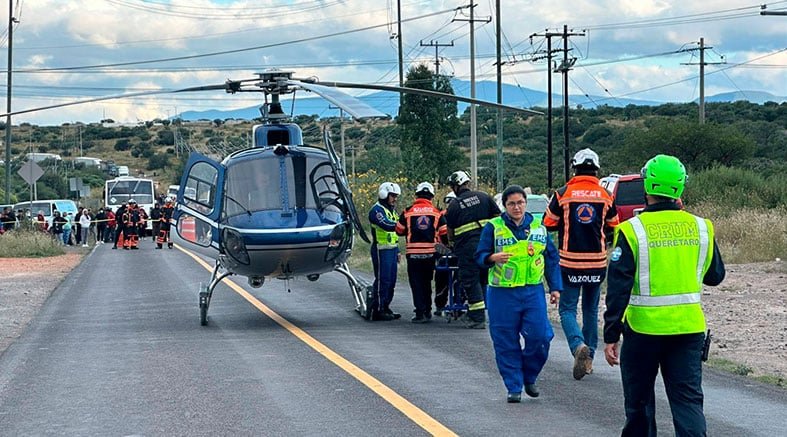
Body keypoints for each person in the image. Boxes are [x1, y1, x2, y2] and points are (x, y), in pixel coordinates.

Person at [603, 155, 726, 436]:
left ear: (647, 186)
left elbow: (618, 289)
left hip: (643, 331)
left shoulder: (632, 230)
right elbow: (715, 276)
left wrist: (611, 334)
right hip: (688, 330)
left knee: (639, 405)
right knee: (688, 402)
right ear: (680, 187)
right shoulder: (701, 227)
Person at [475, 185, 562, 403]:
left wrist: (555, 287)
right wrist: (491, 258)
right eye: (511, 203)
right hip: (502, 294)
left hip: (532, 292)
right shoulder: (493, 227)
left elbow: (551, 258)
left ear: (526, 203)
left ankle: (529, 375)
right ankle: (514, 386)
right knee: (505, 341)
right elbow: (479, 256)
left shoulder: (538, 227)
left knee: (541, 336)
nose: (517, 207)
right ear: (504, 206)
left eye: (520, 203)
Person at [543, 148, 620, 380]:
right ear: (596, 169)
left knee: (567, 309)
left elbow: (548, 223)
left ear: (574, 168)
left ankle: (578, 346)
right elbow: (614, 225)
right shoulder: (606, 195)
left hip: (570, 262)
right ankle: (589, 360)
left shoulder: (562, 193)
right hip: (597, 263)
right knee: (590, 310)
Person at [444, 170, 500, 329]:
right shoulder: (484, 197)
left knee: (470, 280)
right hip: (488, 247)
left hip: (468, 249)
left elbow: (450, 232)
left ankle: (477, 317)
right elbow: (499, 218)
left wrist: (452, 244)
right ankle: (485, 313)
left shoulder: (454, 205)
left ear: (456, 186)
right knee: (484, 279)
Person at [395, 182, 447, 323]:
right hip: (430, 254)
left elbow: (399, 230)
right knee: (427, 282)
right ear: (431, 196)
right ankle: (427, 311)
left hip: (413, 254)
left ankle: (419, 313)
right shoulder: (436, 212)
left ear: (416, 195)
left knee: (416, 283)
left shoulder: (408, 211)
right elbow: (444, 233)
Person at [368, 182, 401, 321]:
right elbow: (386, 225)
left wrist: (398, 250)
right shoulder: (376, 211)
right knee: (383, 279)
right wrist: (404, 226)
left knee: (392, 281)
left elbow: (395, 234)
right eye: (393, 196)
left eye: (396, 196)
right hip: (381, 250)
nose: (395, 199)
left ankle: (386, 307)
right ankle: (378, 309)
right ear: (384, 194)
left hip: (392, 250)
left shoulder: (392, 211)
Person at [433, 191, 456, 315]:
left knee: (461, 278)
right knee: (441, 276)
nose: (449, 205)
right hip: (443, 251)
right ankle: (440, 304)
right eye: (448, 202)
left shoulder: (463, 215)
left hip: (459, 251)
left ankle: (458, 302)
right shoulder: (440, 215)